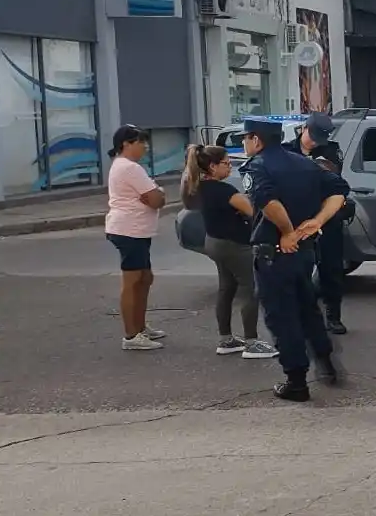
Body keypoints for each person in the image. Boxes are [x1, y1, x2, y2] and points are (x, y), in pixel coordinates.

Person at [240, 116, 349, 402]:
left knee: (281, 316)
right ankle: (324, 361)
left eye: (246, 138)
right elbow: (340, 190)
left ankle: (296, 381)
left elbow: (268, 202)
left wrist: (288, 231)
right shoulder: (304, 163)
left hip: (275, 253)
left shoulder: (258, 166)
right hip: (305, 252)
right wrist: (316, 221)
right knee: (307, 308)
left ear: (256, 140)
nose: (244, 143)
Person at [181, 144, 279, 360]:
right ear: (213, 167)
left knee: (226, 288)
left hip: (215, 242)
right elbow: (254, 211)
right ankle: (252, 343)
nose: (229, 168)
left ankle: (226, 339)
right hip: (235, 245)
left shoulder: (201, 187)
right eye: (226, 164)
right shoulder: (224, 191)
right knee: (250, 289)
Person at [282, 112, 351, 335]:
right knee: (299, 269)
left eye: (319, 138)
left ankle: (333, 316)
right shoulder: (285, 150)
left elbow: (333, 178)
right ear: (304, 128)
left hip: (327, 217)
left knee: (331, 268)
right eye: (311, 136)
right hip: (297, 219)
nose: (313, 142)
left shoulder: (330, 150)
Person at [104, 124, 167, 351]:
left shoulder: (127, 167)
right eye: (141, 142)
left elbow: (153, 196)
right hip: (129, 230)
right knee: (133, 281)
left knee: (145, 278)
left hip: (136, 230)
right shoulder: (130, 168)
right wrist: (157, 194)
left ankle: (140, 326)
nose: (145, 147)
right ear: (126, 144)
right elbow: (155, 199)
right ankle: (131, 336)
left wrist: (156, 194)